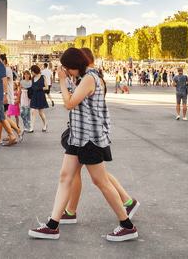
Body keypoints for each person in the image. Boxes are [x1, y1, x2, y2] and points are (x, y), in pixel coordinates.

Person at [28, 48, 137, 242]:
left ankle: (127, 225)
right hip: (78, 137)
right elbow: (73, 101)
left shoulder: (89, 78)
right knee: (65, 177)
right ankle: (53, 225)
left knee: (100, 181)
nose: (66, 72)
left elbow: (69, 103)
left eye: (67, 68)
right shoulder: (83, 78)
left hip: (89, 138)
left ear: (75, 65)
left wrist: (61, 81)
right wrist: (67, 82)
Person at [29, 64, 50, 132]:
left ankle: (45, 124)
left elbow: (46, 87)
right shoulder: (32, 78)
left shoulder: (42, 77)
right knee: (32, 111)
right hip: (34, 96)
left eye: (32, 71)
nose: (31, 73)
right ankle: (31, 127)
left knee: (41, 113)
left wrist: (39, 88)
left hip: (40, 95)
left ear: (35, 70)